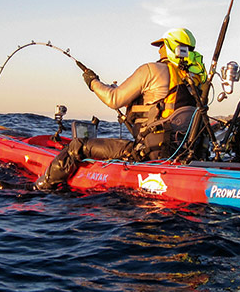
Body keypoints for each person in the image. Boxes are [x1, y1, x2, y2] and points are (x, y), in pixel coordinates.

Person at [35, 28, 208, 191]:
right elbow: (162, 106)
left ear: (171, 47)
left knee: (77, 145)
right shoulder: (198, 81)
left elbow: (113, 99)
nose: (159, 50)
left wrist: (92, 82)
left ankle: (42, 187)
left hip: (148, 155)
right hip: (184, 153)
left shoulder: (151, 70)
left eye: (162, 45)